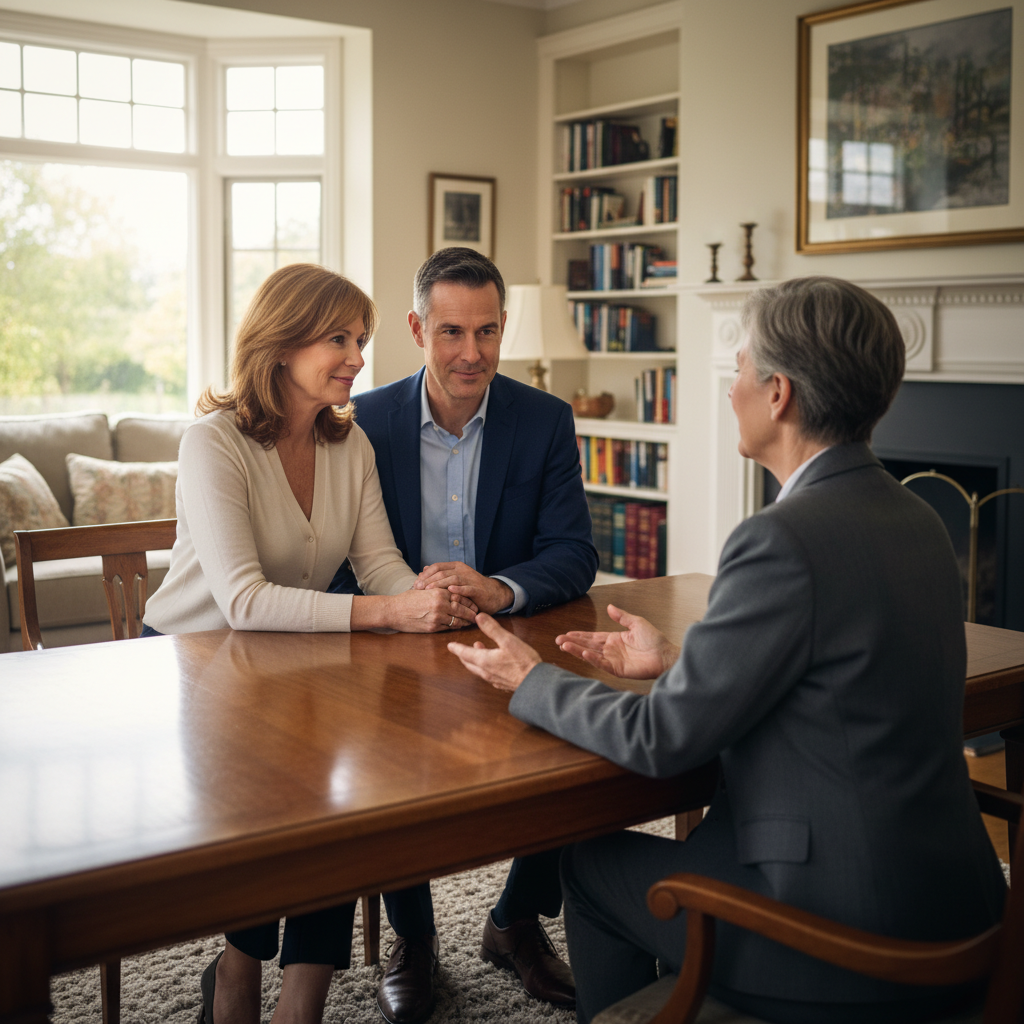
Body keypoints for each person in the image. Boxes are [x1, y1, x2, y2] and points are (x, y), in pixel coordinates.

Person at [449, 276, 1008, 1024]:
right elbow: (840, 680)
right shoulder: (919, 517)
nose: (731, 387)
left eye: (739, 368)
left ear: (777, 394)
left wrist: (533, 677)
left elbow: (661, 740)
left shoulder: (780, 538)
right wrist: (682, 666)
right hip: (961, 909)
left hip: (845, 941)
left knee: (587, 866)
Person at [142, 263, 477, 1024]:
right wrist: (386, 617)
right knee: (276, 802)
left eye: (361, 338)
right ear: (282, 339)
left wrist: (429, 597)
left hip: (291, 658)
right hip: (189, 665)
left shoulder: (346, 443)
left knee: (336, 804)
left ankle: (300, 1008)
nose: (357, 355)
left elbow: (379, 565)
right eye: (338, 338)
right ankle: (235, 973)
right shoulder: (212, 442)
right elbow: (243, 600)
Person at [328, 247, 598, 1023]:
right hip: (389, 643)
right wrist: (400, 607)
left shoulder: (543, 419)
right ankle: (414, 938)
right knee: (378, 771)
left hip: (500, 636)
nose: (470, 353)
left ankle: (514, 920)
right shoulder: (362, 421)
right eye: (450, 332)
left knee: (575, 741)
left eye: (486, 332)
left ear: (504, 328)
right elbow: (335, 558)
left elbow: (575, 552)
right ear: (417, 328)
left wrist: (500, 586)